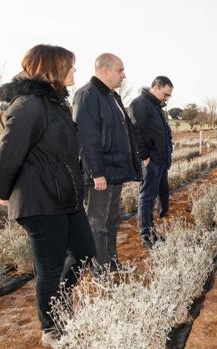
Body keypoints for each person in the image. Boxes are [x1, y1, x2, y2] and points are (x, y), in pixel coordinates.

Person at [0, 44, 96, 347]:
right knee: (49, 267)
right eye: (71, 66)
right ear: (53, 69)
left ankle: (60, 304)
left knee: (85, 251)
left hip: (66, 198)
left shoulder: (55, 104)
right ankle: (50, 327)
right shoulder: (29, 105)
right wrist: (3, 190)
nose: (75, 72)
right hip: (40, 201)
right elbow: (7, 156)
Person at [73, 53, 142, 269]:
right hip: (100, 176)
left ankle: (112, 262)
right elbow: (86, 138)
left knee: (113, 220)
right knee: (97, 223)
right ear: (105, 70)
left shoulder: (113, 97)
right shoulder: (87, 96)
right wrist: (96, 172)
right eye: (120, 70)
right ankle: (99, 267)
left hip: (115, 172)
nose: (124, 75)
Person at [129, 76, 174, 247]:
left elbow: (164, 133)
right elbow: (135, 132)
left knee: (155, 197)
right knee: (146, 198)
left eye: (169, 95)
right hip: (151, 161)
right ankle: (146, 236)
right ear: (155, 87)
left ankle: (152, 232)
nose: (167, 98)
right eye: (165, 94)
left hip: (161, 160)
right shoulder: (140, 104)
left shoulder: (157, 106)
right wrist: (144, 156)